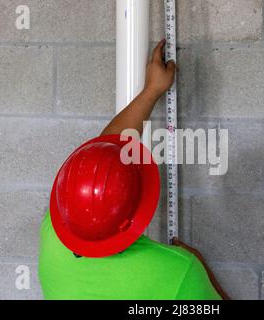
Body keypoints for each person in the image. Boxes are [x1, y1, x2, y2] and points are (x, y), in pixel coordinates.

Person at [38, 39, 229, 300]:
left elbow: (102, 161)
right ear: (138, 208)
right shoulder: (177, 272)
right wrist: (199, 267)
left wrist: (151, 91)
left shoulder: (53, 237)